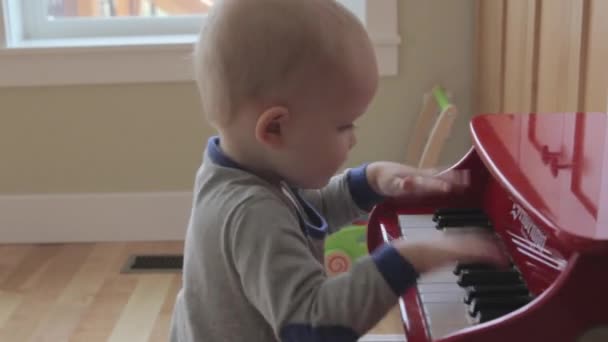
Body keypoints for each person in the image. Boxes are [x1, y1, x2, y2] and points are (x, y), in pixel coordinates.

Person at [169, 0, 508, 341]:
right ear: (275, 128)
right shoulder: (251, 213)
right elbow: (314, 326)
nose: (353, 139)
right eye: (343, 126)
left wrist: (371, 180)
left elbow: (304, 211)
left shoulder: (239, 172)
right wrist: (410, 256)